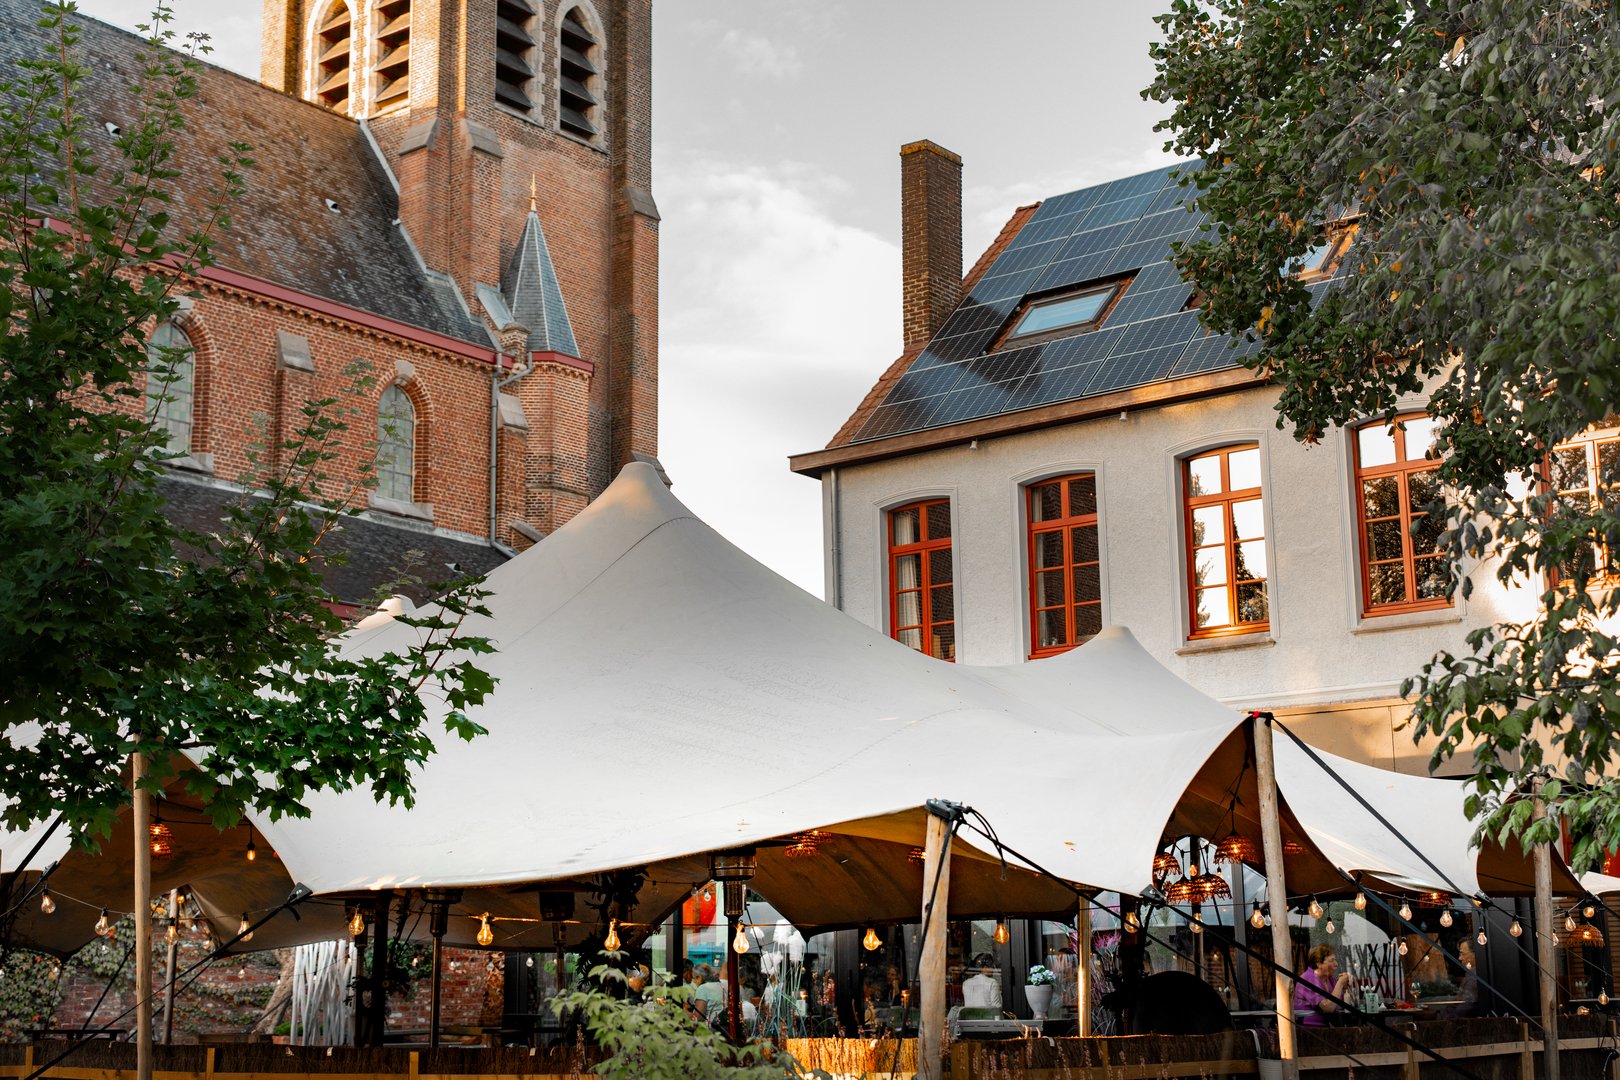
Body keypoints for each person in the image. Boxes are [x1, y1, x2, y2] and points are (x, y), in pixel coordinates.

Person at [1293, 944, 1353, 1026]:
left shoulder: (1329, 980)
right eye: (1332, 960)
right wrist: (1340, 984)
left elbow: (1343, 1004)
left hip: (1328, 1027)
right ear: (1319, 964)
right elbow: (1328, 1007)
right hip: (1309, 1028)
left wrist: (1346, 987)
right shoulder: (1307, 979)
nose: (1336, 964)